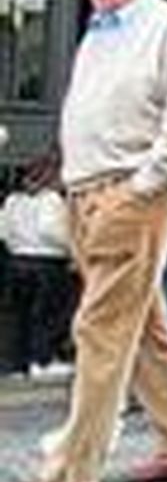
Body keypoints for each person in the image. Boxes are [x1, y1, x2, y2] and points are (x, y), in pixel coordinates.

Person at [3, 0, 167, 482]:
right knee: (142, 323)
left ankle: (72, 470)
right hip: (88, 195)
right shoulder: (100, 32)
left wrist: (139, 190)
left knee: (99, 328)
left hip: (132, 195)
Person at [0, 147, 76, 382]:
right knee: (47, 314)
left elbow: (2, 230)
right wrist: (72, 247)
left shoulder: (14, 199)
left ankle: (13, 362)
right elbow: (52, 231)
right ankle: (42, 359)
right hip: (48, 262)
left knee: (17, 315)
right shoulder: (52, 200)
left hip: (17, 260)